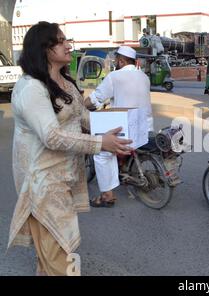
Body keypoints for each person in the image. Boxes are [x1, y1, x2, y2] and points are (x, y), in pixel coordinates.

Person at [8, 21, 132, 275]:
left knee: (53, 254)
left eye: (67, 39)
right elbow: (52, 137)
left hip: (63, 180)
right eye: (61, 40)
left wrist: (118, 132)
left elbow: (84, 117)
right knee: (60, 258)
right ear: (44, 49)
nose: (68, 45)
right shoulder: (31, 87)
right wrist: (99, 143)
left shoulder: (64, 82)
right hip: (42, 185)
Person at [85, 45, 153, 207]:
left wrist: (80, 106)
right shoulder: (144, 77)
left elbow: (97, 98)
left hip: (128, 129)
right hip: (145, 128)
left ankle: (107, 196)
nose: (116, 62)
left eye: (117, 60)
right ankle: (122, 168)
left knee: (101, 152)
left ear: (122, 61)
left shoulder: (114, 76)